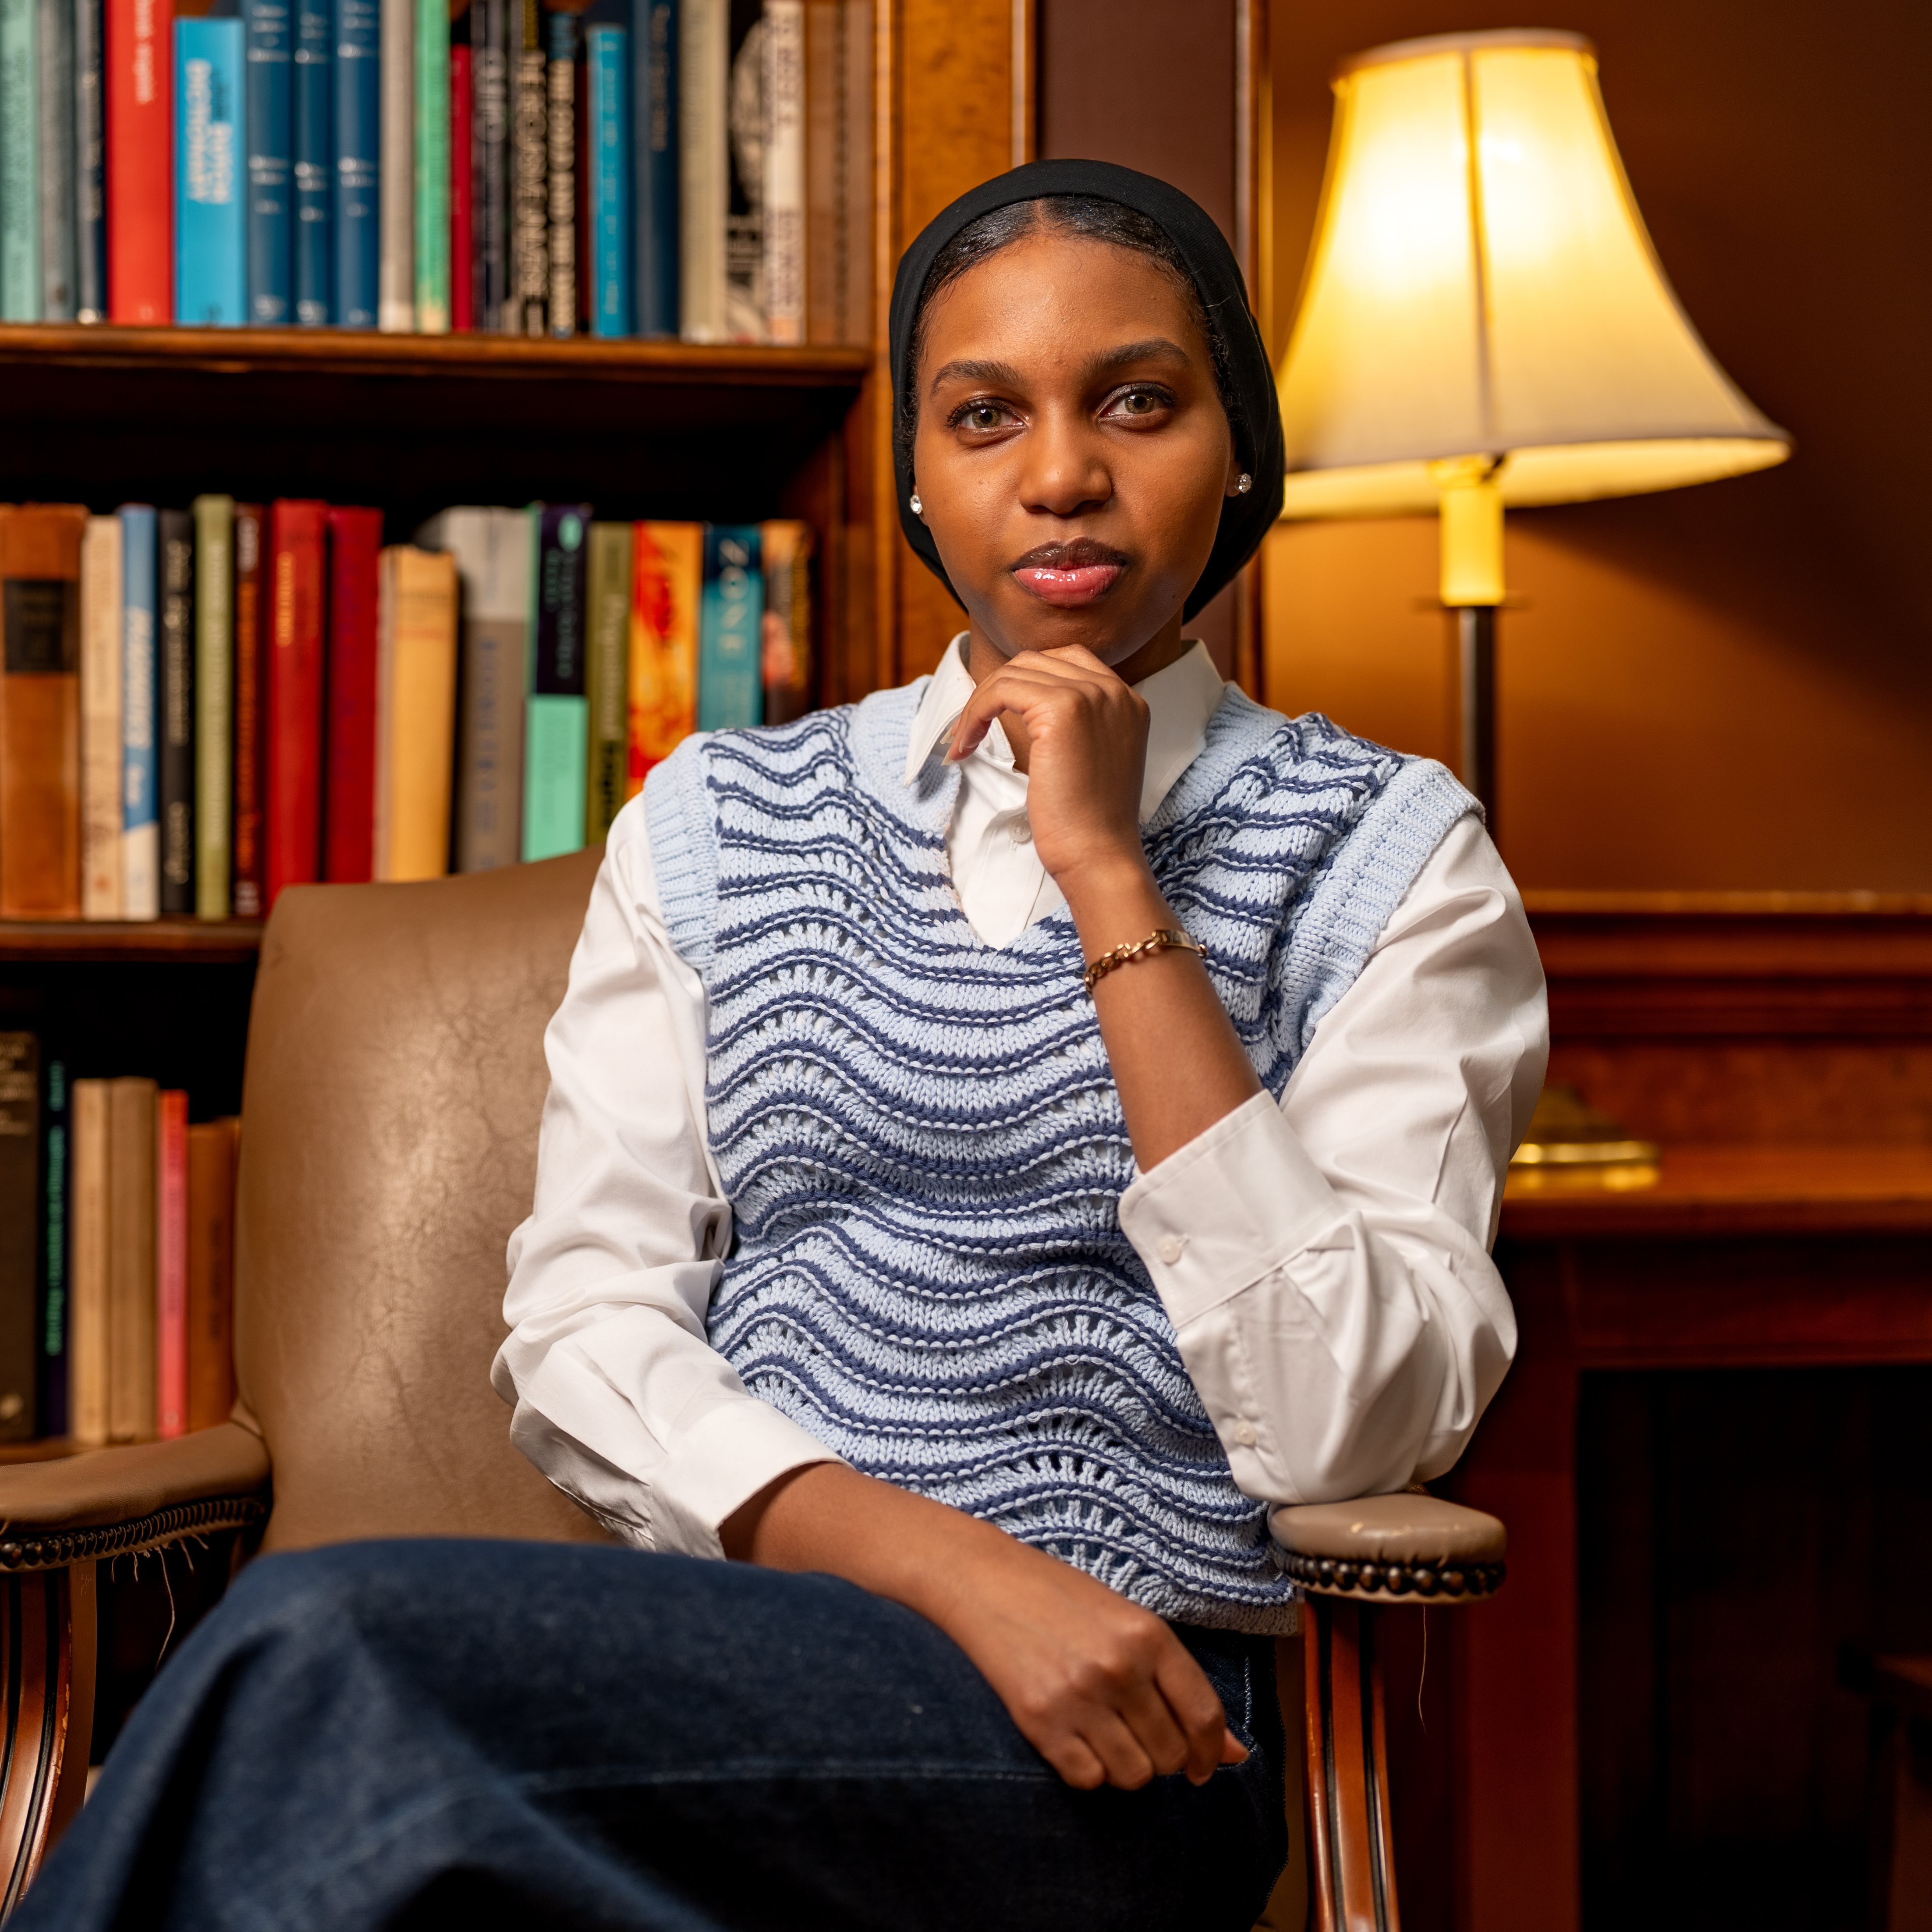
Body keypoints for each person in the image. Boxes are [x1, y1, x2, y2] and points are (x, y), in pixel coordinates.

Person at [16, 161, 1545, 1932]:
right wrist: (958, 1572)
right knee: (333, 1753)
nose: (1059, 471)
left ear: (1240, 452)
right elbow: (584, 1323)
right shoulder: (719, 823)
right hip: (756, 1646)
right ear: (915, 477)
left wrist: (1110, 874)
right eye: (984, 415)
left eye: (1136, 399)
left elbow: (1347, 1415)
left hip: (1136, 1727)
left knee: (317, 1657)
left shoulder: (1390, 851)